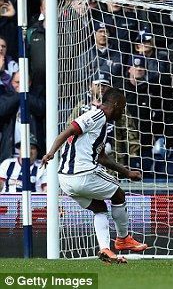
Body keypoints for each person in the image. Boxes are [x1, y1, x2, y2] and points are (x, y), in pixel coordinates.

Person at [41, 88, 148, 264]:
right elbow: (68, 131)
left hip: (66, 181)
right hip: (84, 174)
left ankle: (105, 249)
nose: (122, 111)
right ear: (115, 104)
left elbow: (101, 157)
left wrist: (127, 172)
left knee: (99, 208)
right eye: (122, 107)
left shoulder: (102, 124)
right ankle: (123, 238)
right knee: (118, 194)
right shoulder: (96, 116)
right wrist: (51, 152)